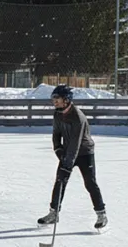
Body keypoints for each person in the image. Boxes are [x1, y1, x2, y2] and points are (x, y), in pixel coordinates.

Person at [37, 84, 107, 231]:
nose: (54, 101)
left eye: (57, 98)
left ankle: (101, 214)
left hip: (84, 153)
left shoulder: (78, 117)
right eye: (53, 98)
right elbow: (56, 134)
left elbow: (76, 142)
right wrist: (58, 150)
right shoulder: (57, 114)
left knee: (90, 183)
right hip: (68, 151)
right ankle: (54, 213)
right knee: (60, 181)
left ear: (67, 100)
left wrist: (67, 162)